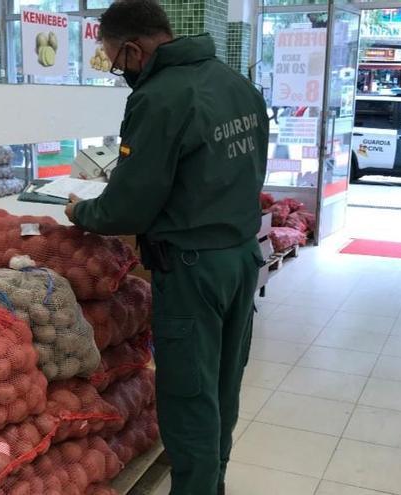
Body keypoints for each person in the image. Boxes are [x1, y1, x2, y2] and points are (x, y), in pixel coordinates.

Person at [63, 1, 269, 494]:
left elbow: (128, 208)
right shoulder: (235, 83)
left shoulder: (159, 97)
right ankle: (211, 483)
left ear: (133, 49)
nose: (119, 70)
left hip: (193, 269)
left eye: (115, 60)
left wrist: (83, 212)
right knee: (222, 384)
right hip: (241, 256)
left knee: (188, 394)